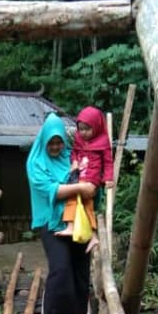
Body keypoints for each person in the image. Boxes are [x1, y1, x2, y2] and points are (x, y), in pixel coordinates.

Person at [26, 113, 97, 314]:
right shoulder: (36, 162)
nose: (56, 146)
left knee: (80, 271)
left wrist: (88, 186)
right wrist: (81, 187)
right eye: (52, 142)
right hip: (50, 222)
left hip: (76, 220)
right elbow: (52, 191)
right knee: (61, 269)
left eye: (59, 142)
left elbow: (90, 178)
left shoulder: (70, 156)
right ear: (44, 141)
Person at [56, 106, 114, 253]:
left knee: (72, 198)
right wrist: (74, 161)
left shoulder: (103, 141)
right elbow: (75, 152)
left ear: (96, 127)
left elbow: (108, 162)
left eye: (87, 129)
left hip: (92, 178)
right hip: (80, 174)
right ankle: (93, 235)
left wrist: (108, 178)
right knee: (87, 204)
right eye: (81, 129)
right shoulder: (79, 139)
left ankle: (70, 226)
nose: (83, 133)